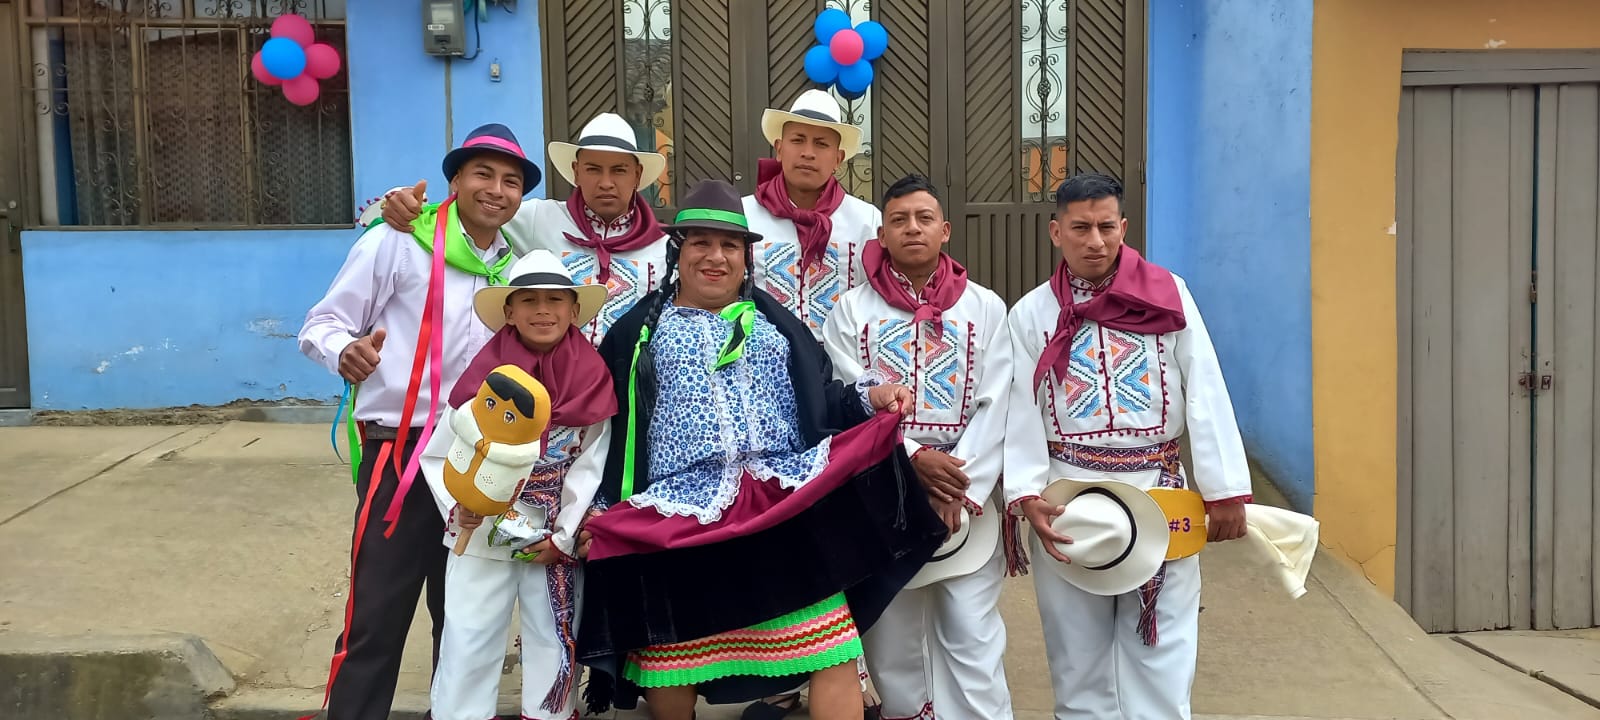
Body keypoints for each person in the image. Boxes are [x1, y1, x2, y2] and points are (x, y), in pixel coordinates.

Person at [576, 179, 946, 720]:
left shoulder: (778, 327)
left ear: (745, 257)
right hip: (680, 519)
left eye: (729, 245)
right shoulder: (636, 334)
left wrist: (871, 398)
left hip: (781, 511)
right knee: (673, 667)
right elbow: (608, 432)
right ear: (678, 251)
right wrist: (602, 508)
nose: (716, 257)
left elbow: (822, 400)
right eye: (701, 243)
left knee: (832, 652)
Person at [297, 123, 540, 720]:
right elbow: (321, 324)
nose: (497, 190)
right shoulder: (398, 242)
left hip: (475, 463)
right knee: (377, 615)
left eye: (511, 182)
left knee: (461, 620)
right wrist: (344, 352)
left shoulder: (513, 270)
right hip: (399, 454)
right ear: (454, 180)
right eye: (483, 174)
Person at [1003, 172, 1255, 720]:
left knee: (1161, 657)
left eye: (1106, 227)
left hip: (1159, 491)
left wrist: (1224, 490)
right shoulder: (1031, 314)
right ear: (1056, 232)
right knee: (1077, 660)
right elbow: (1018, 410)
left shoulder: (1169, 294)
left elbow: (1205, 386)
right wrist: (1026, 494)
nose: (1095, 241)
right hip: (1068, 496)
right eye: (1080, 228)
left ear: (1124, 227)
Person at [821, 174, 1014, 720]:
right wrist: (911, 465)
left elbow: (998, 403)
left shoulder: (985, 308)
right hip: (884, 493)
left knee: (972, 636)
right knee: (892, 640)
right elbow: (848, 400)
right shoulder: (850, 311)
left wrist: (956, 486)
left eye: (924, 218)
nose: (912, 228)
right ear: (881, 234)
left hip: (965, 499)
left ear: (945, 230)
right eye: (899, 220)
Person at [419, 250, 616, 720]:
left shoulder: (591, 378)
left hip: (550, 534)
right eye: (529, 300)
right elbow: (440, 453)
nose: (542, 310)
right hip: (480, 528)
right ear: (509, 312)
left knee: (551, 635)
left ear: (574, 310)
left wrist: (564, 536)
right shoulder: (483, 380)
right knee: (469, 633)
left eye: (555, 300)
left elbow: (591, 464)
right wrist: (460, 504)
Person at [382, 112, 671, 344]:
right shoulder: (537, 219)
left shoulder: (664, 247)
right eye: (593, 169)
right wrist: (404, 202)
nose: (606, 182)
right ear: (575, 172)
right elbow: (471, 211)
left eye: (619, 170)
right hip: (548, 387)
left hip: (631, 390)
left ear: (637, 175)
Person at [744, 89, 881, 342]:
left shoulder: (866, 221)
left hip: (840, 360)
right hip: (763, 360)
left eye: (821, 143)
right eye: (798, 140)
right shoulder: (745, 215)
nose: (808, 152)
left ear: (838, 158)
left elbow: (878, 298)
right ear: (779, 149)